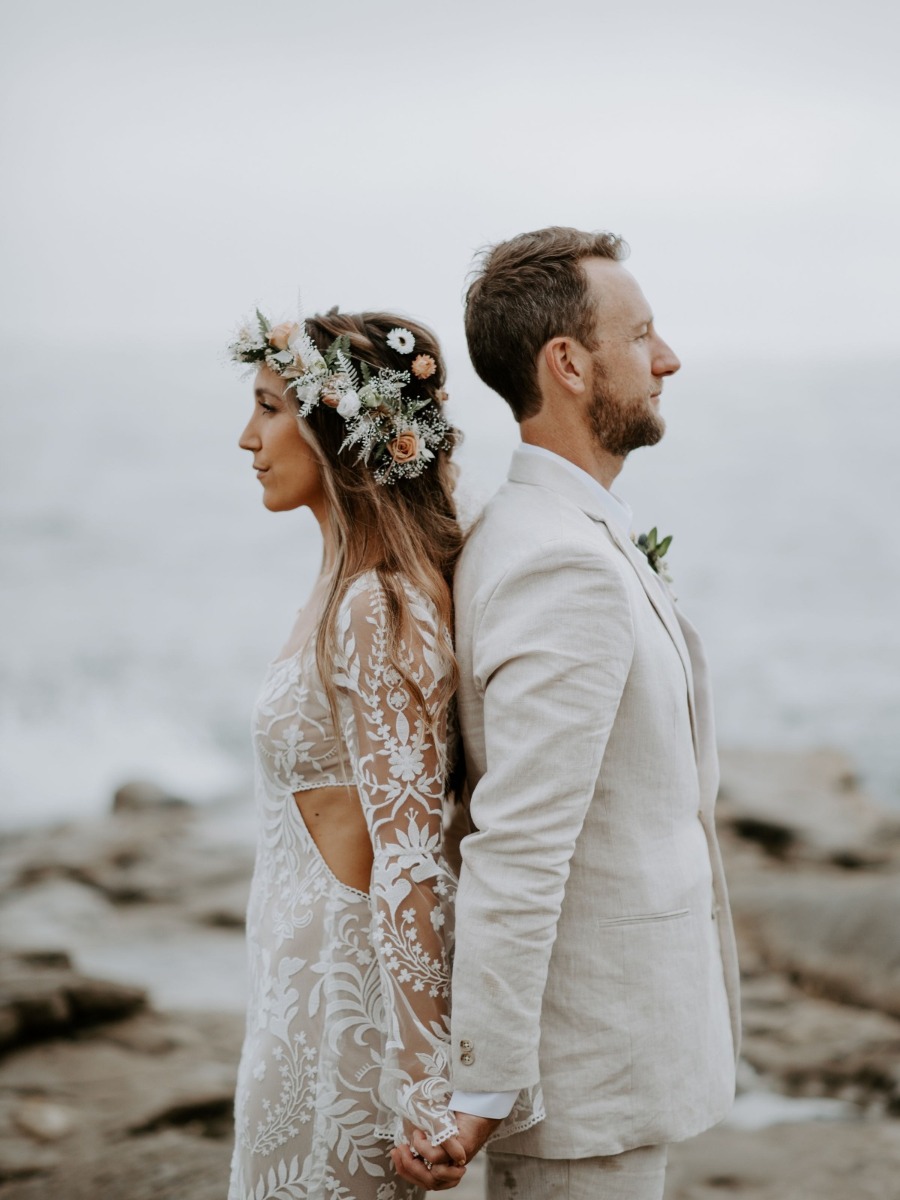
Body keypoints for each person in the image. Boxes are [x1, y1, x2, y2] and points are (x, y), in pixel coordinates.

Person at [393, 227, 741, 1200]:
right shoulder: (561, 564)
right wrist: (485, 1081)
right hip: (594, 1079)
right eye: (643, 337)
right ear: (570, 365)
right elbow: (518, 843)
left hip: (613, 1064)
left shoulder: (533, 529)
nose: (667, 358)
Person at [227, 305, 470, 1200]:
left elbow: (409, 856)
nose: (246, 437)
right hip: (292, 990)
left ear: (333, 427)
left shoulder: (378, 605)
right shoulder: (336, 586)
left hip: (342, 1019)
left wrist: (425, 1088)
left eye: (268, 407)